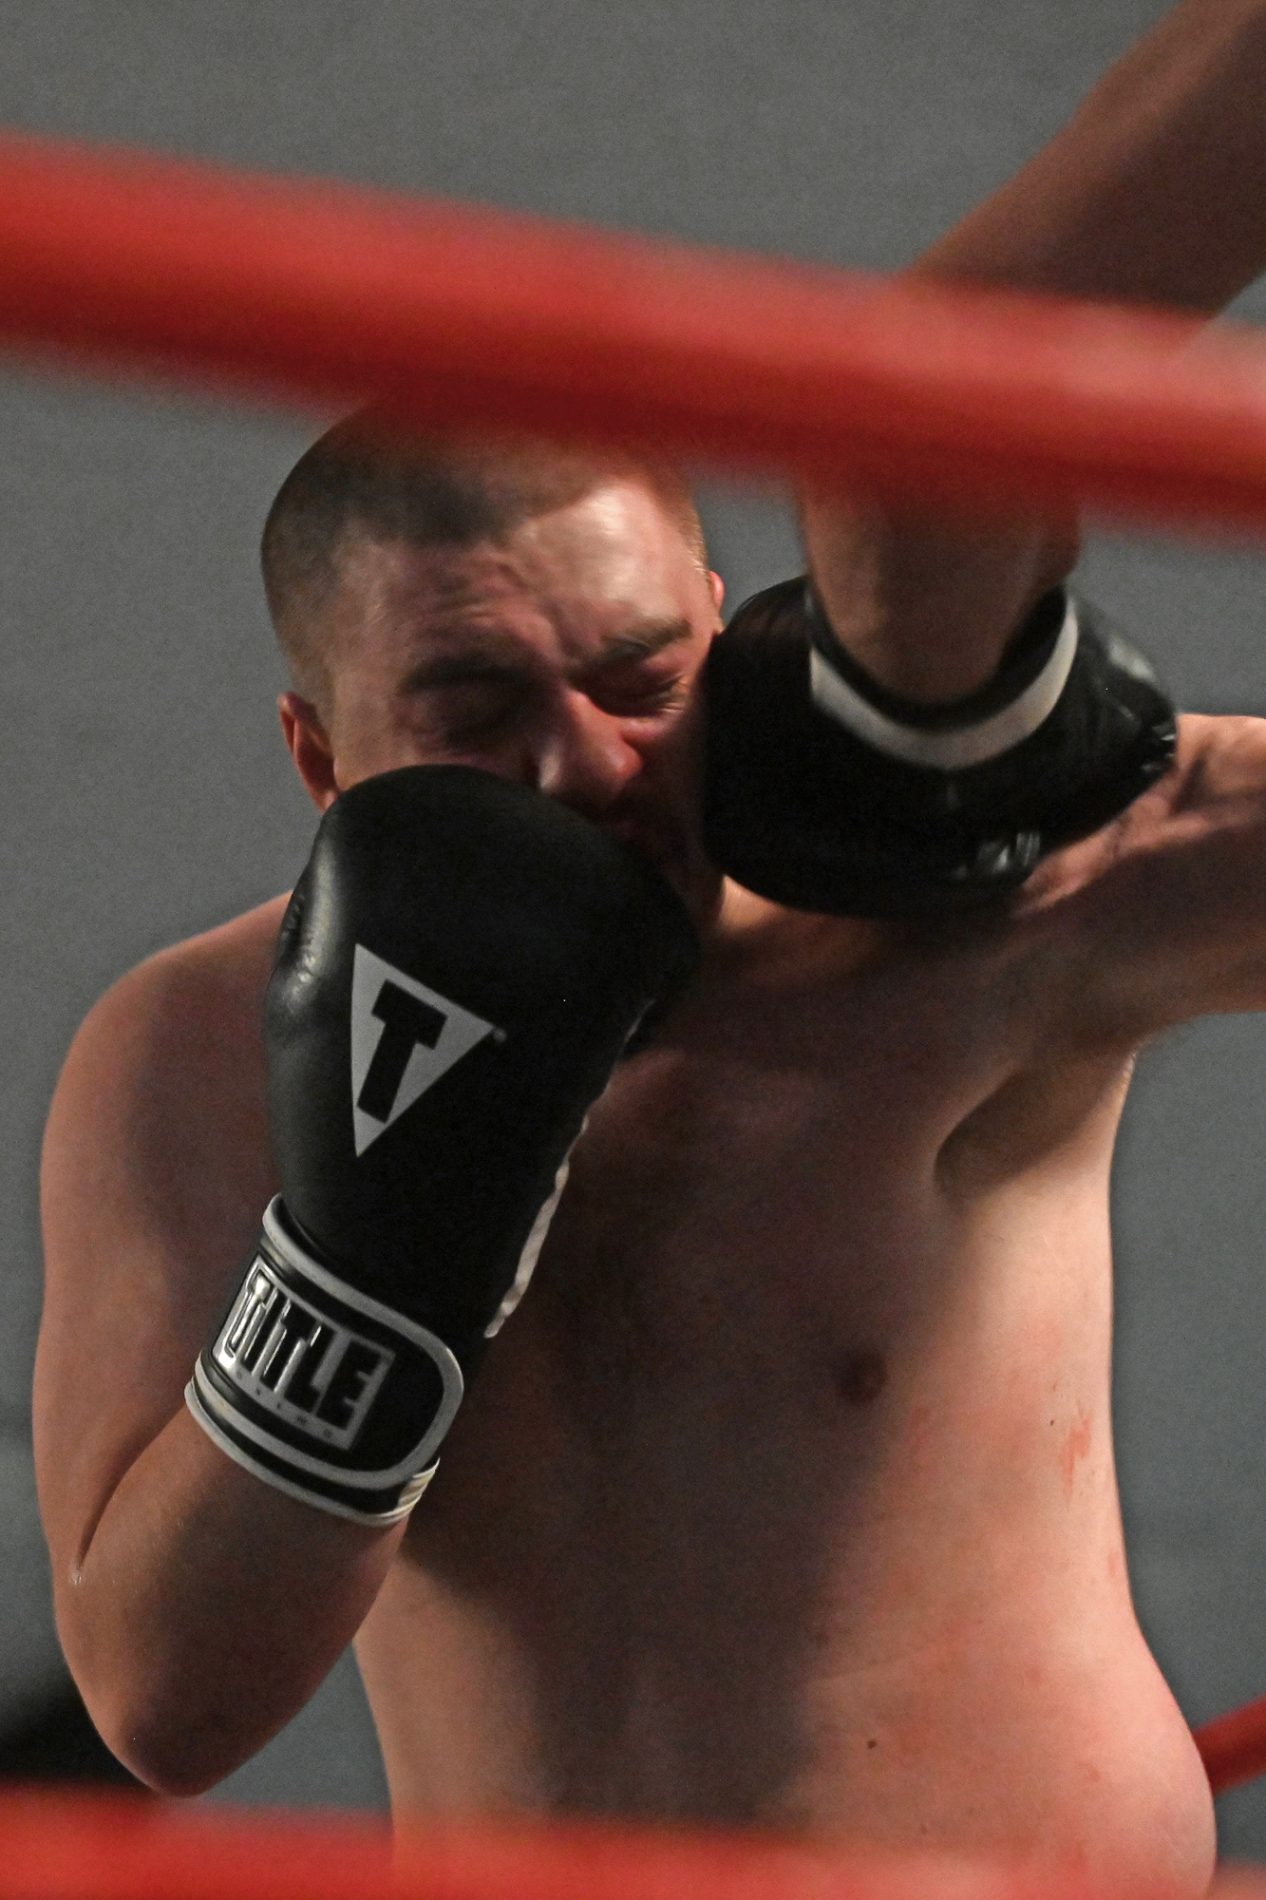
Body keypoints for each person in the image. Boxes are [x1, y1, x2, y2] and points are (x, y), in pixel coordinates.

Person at [31, 2, 1266, 1887]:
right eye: (471, 709)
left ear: (716, 622)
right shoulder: (194, 1053)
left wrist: (1040, 752)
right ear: (319, 755)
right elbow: (159, 1707)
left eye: (637, 678)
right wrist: (375, 1265)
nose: (584, 769)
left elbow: (950, 453)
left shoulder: (962, 933)